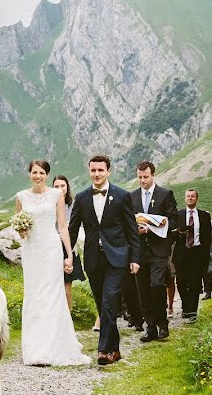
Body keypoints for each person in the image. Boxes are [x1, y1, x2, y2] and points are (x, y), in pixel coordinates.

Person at [16, 160, 90, 366]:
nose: (37, 176)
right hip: (31, 250)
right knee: (34, 295)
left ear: (47, 175)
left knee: (52, 295)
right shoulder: (21, 197)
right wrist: (21, 230)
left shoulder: (56, 195)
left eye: (41, 172)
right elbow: (20, 227)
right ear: (29, 174)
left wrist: (68, 254)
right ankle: (34, 349)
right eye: (34, 172)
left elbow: (63, 226)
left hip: (50, 248)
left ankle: (52, 346)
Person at [69, 154, 140, 365]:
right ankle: (115, 350)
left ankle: (103, 350)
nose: (97, 174)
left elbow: (132, 230)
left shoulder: (122, 195)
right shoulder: (81, 198)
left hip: (117, 257)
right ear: (89, 171)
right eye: (93, 170)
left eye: (101, 170)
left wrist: (135, 258)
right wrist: (65, 255)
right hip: (92, 259)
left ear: (108, 171)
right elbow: (72, 230)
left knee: (109, 302)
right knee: (102, 305)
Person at [129, 160, 178, 342]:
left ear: (153, 175)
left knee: (157, 285)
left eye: (146, 177)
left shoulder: (165, 194)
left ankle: (162, 323)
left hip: (158, 249)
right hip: (139, 251)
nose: (142, 180)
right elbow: (127, 222)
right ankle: (150, 327)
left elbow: (173, 221)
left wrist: (152, 227)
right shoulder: (131, 196)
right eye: (139, 177)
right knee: (142, 290)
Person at [172, 189, 212, 322]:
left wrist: (206, 256)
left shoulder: (204, 216)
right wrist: (179, 232)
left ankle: (192, 312)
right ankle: (185, 306)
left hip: (197, 252)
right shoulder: (178, 215)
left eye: (193, 196)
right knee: (182, 283)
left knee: (195, 283)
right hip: (182, 253)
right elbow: (171, 235)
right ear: (185, 199)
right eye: (188, 196)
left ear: (197, 199)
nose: (190, 198)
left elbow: (207, 238)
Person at [52, 175, 86, 311]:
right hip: (53, 246)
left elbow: (79, 224)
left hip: (69, 247)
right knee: (54, 287)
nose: (60, 189)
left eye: (62, 186)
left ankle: (68, 317)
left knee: (67, 287)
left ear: (67, 187)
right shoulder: (50, 204)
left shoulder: (73, 204)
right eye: (56, 186)